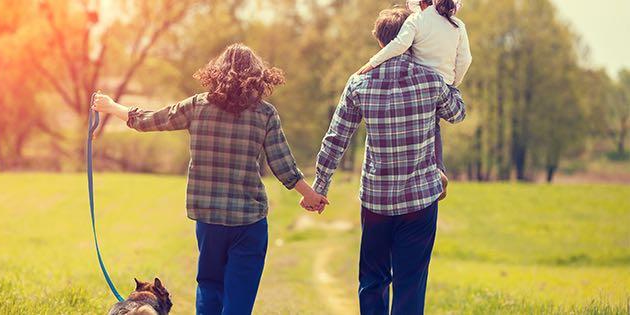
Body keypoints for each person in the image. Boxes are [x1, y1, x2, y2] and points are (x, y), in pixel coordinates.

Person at [92, 43, 328, 315]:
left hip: (209, 220)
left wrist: (111, 107)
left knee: (209, 285)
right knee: (240, 293)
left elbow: (149, 120)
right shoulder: (265, 114)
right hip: (248, 221)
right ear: (257, 76)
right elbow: (283, 164)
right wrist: (309, 195)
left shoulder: (197, 106)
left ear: (217, 73)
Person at [303, 7, 466, 315]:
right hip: (420, 201)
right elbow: (457, 113)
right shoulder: (430, 80)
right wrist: (449, 75)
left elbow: (336, 138)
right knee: (410, 282)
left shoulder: (359, 82)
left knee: (373, 280)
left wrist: (320, 186)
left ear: (380, 41)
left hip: (376, 202)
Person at [357, 0, 473, 200]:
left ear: (420, 2)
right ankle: (438, 169)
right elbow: (465, 59)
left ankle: (422, 174)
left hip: (418, 82)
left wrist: (371, 63)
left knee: (420, 127)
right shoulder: (457, 25)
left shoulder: (416, 20)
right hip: (442, 85)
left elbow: (399, 45)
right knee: (433, 127)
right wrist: (453, 83)